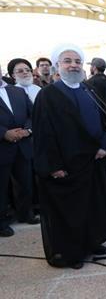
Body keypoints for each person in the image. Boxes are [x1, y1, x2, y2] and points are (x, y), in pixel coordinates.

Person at [32, 44, 106, 269]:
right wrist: (53, 165)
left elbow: (103, 121)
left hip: (94, 160)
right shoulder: (48, 94)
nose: (73, 65)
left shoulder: (88, 89)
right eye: (68, 61)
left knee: (93, 205)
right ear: (58, 66)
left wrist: (103, 146)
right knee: (72, 211)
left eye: (77, 61)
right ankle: (73, 252)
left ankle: (93, 242)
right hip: (67, 164)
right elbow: (43, 133)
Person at [0, 65, 39, 237]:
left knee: (25, 182)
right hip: (2, 146)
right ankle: (1, 222)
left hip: (23, 145)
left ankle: (25, 213)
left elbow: (33, 114)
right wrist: (4, 133)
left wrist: (27, 131)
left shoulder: (17, 91)